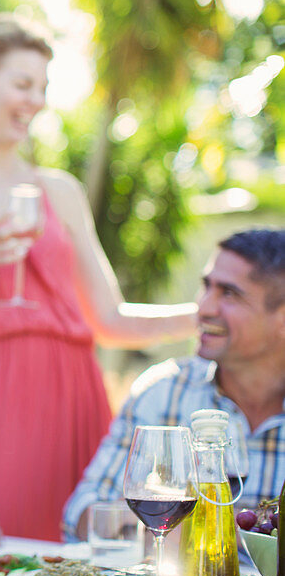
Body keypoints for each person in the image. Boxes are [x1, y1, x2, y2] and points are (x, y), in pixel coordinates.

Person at [0, 20, 198, 541]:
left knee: (81, 562)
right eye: (21, 83)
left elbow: (109, 319)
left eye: (42, 87)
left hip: (73, 393)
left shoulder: (61, 191)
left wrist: (208, 316)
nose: (34, 100)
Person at [62, 229, 285, 540]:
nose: (204, 308)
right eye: (206, 287)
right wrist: (156, 518)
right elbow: (81, 515)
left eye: (230, 294)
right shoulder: (163, 390)